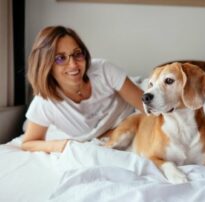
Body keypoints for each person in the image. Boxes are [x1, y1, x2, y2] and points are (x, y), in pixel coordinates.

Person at [21, 25, 144, 153]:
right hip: (105, 142)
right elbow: (28, 143)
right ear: (46, 64)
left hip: (135, 125)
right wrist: (63, 145)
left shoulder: (104, 70)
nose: (73, 64)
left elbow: (149, 109)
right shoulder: (45, 102)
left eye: (77, 54)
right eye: (60, 58)